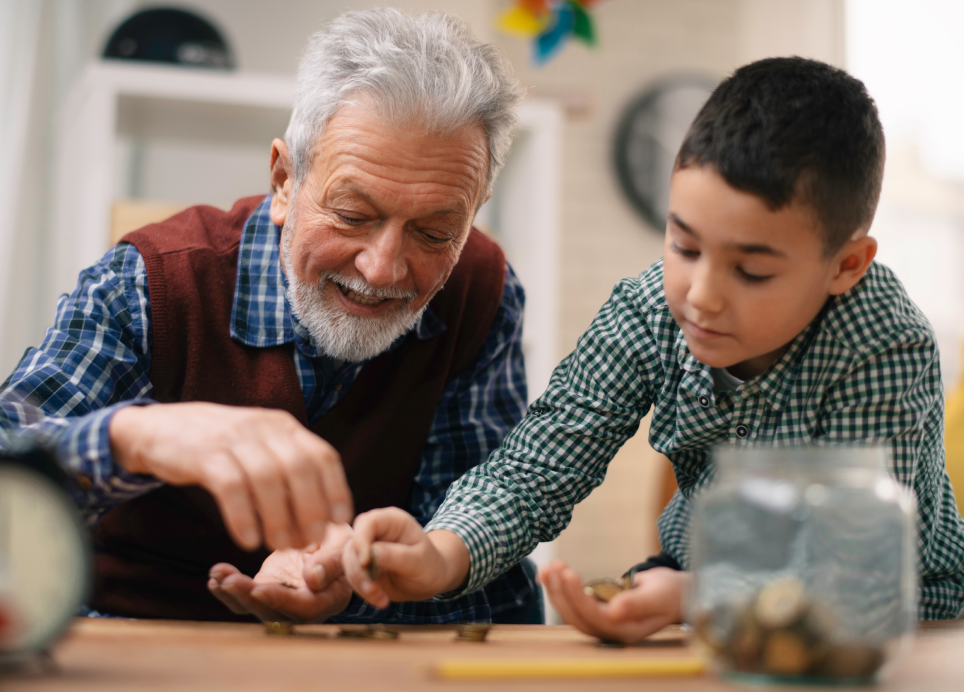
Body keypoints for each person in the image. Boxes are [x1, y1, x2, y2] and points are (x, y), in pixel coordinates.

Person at [0, 9, 542, 625]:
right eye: (354, 216)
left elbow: (486, 584)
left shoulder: (481, 293)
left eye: (435, 232)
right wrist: (138, 439)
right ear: (284, 181)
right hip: (128, 645)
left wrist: (354, 588)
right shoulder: (152, 282)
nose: (383, 269)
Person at [344, 57, 964, 640]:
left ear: (846, 265)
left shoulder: (886, 339)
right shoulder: (646, 310)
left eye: (751, 271)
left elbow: (859, 571)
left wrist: (701, 597)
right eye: (684, 246)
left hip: (903, 618)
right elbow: (539, 466)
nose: (702, 297)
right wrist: (440, 552)